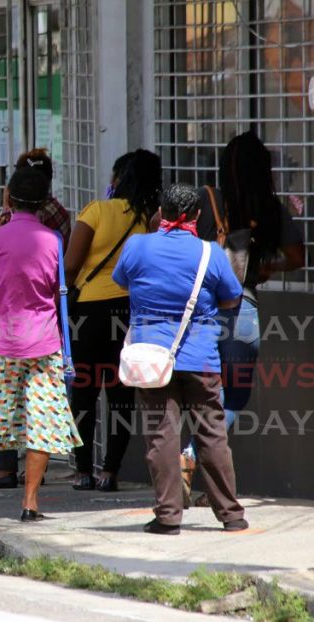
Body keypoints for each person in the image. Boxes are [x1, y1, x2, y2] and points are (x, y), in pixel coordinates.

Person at [112, 183, 248, 534]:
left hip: (152, 359)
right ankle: (231, 516)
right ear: (197, 216)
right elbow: (232, 299)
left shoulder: (137, 245)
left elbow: (123, 281)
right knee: (212, 436)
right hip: (201, 359)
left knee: (162, 436)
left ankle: (168, 517)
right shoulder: (210, 253)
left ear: (162, 212)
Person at [180, 131, 304, 504]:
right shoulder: (270, 208)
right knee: (230, 399)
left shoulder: (206, 200)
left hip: (200, 312)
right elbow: (298, 259)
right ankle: (191, 460)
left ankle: (194, 473)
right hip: (243, 311)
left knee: (200, 395)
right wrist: (265, 268)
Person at [0, 166, 82, 523]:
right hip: (44, 346)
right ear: (44, 203)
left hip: (1, 344)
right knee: (42, 424)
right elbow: (58, 291)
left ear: (8, 198)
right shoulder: (53, 240)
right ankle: (30, 505)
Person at [63, 149, 162, 492]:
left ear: (117, 179)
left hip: (89, 314)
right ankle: (111, 472)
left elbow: (71, 266)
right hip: (129, 313)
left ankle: (82, 471)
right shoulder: (149, 219)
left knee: (84, 392)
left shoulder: (96, 211)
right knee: (120, 393)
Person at [0, 148, 72, 487]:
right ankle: (35, 483)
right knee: (42, 404)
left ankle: (6, 468)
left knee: (3, 401)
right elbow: (62, 269)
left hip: (5, 326)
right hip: (45, 325)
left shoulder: (4, 222)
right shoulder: (61, 219)